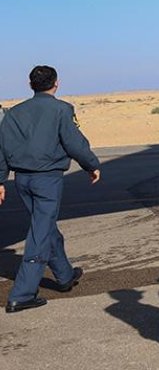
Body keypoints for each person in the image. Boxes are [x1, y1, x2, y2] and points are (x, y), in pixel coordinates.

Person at [0, 65, 100, 314]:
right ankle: (21, 294)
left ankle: (65, 275)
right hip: (47, 180)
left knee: (45, 226)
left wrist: (1, 180)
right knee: (40, 234)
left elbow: (1, 148)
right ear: (56, 83)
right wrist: (91, 165)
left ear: (30, 85)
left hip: (22, 180)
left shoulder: (13, 113)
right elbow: (74, 142)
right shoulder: (61, 110)